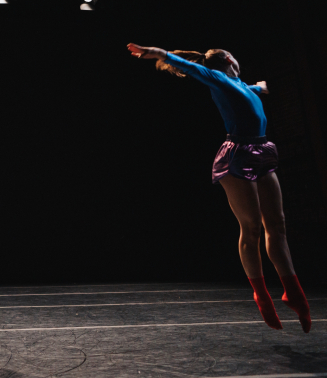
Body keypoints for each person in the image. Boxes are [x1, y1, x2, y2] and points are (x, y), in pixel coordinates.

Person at [126, 44, 311, 333]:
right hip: (237, 155)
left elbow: (248, 91)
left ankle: (293, 290)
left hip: (263, 150)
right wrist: (161, 54)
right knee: (251, 228)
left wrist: (260, 88)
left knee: (277, 224)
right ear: (228, 59)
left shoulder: (240, 84)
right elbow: (194, 69)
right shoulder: (218, 77)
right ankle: (261, 294)